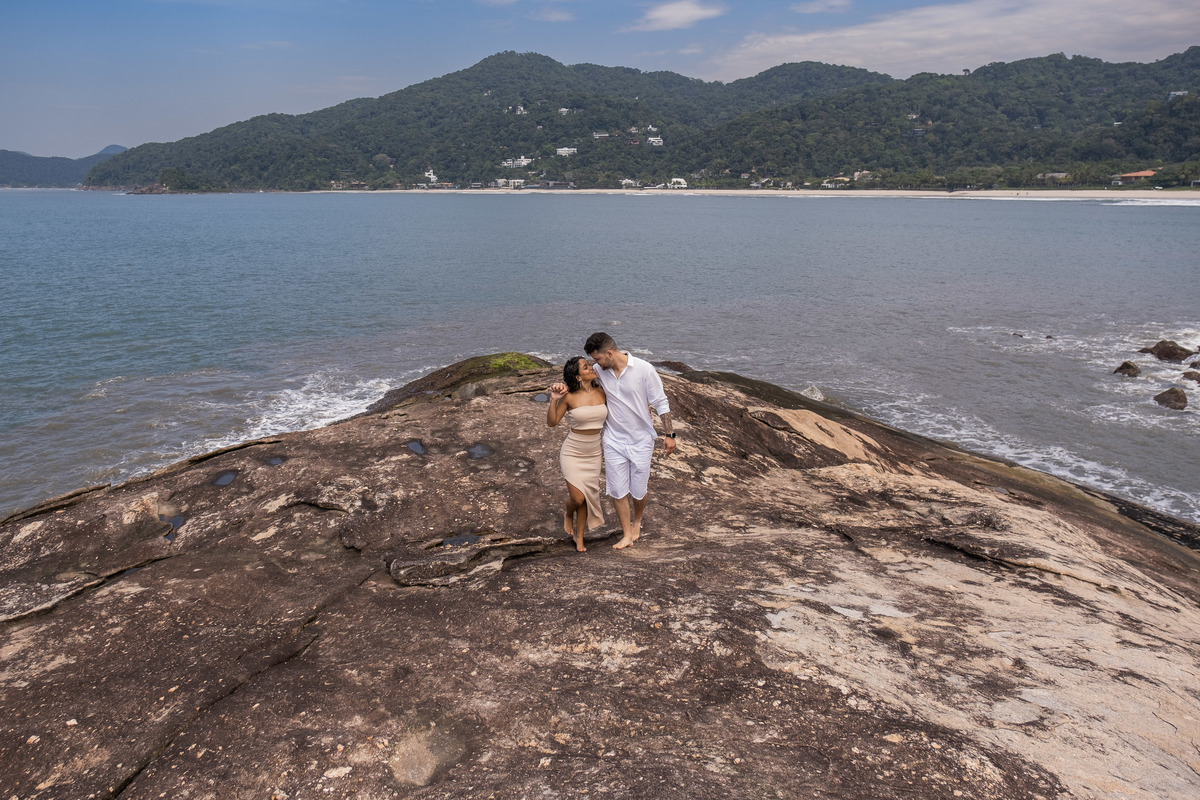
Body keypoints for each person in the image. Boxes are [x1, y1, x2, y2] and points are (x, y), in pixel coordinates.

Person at [584, 332, 675, 550]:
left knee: (638, 490)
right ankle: (626, 534)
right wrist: (561, 388)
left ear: (609, 353)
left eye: (597, 359)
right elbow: (577, 378)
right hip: (613, 439)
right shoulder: (599, 371)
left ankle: (638, 521)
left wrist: (670, 435)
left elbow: (661, 402)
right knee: (617, 489)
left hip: (641, 440)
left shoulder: (644, 369)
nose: (594, 364)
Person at [547, 356, 608, 552]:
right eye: (585, 366)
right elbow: (552, 422)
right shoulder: (569, 397)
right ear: (578, 376)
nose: (591, 367)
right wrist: (553, 400)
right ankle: (568, 513)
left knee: (587, 496)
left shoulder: (602, 392)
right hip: (573, 452)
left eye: (589, 365)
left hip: (593, 452)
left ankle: (579, 537)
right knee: (577, 499)